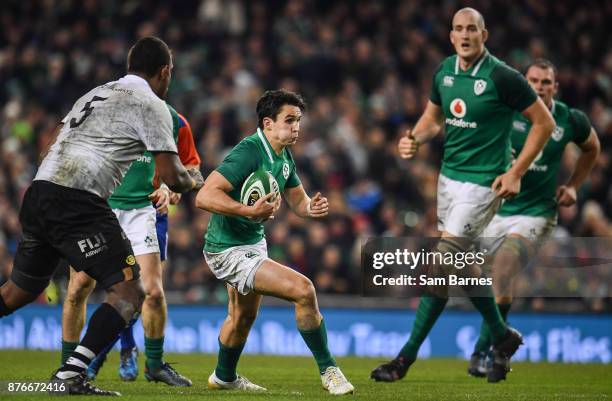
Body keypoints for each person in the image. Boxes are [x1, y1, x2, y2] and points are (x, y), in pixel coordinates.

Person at [0, 36, 202, 395]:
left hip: (40, 190)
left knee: (17, 292)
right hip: (79, 199)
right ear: (165, 71)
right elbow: (173, 175)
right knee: (129, 290)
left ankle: (80, 369)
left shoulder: (95, 93)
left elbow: (51, 143)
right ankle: (71, 374)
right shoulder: (152, 105)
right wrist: (188, 183)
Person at [370, 8, 555, 383]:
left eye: (472, 28)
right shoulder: (444, 72)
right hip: (449, 182)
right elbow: (432, 118)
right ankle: (502, 335)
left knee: (441, 265)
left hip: (483, 184)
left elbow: (544, 122)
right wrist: (413, 139)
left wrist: (516, 172)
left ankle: (404, 358)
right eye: (458, 29)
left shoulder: (503, 76)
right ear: (451, 36)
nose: (465, 34)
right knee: (455, 267)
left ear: (483, 35)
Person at [195, 89, 354, 395]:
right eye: (289, 120)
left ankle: (223, 377)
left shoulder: (283, 156)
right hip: (227, 249)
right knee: (304, 290)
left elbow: (298, 200)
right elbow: (204, 195)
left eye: (299, 121)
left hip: (253, 244)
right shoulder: (248, 152)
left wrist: (311, 208)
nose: (296, 127)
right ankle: (329, 370)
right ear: (268, 123)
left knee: (242, 318)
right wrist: (247, 210)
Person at [467, 58, 600, 376]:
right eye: (534, 81)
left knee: (503, 267)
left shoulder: (570, 119)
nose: (539, 87)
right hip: (497, 209)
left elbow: (592, 148)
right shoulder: (507, 111)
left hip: (537, 213)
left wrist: (573, 186)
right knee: (483, 278)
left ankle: (480, 353)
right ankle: (502, 347)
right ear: (525, 83)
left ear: (556, 86)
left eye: (545, 82)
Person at [60, 105, 201, 386]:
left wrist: (170, 189)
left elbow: (194, 171)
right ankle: (70, 368)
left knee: (152, 292)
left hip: (143, 211)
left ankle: (154, 364)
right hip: (99, 209)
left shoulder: (175, 121)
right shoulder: (104, 111)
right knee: (79, 287)